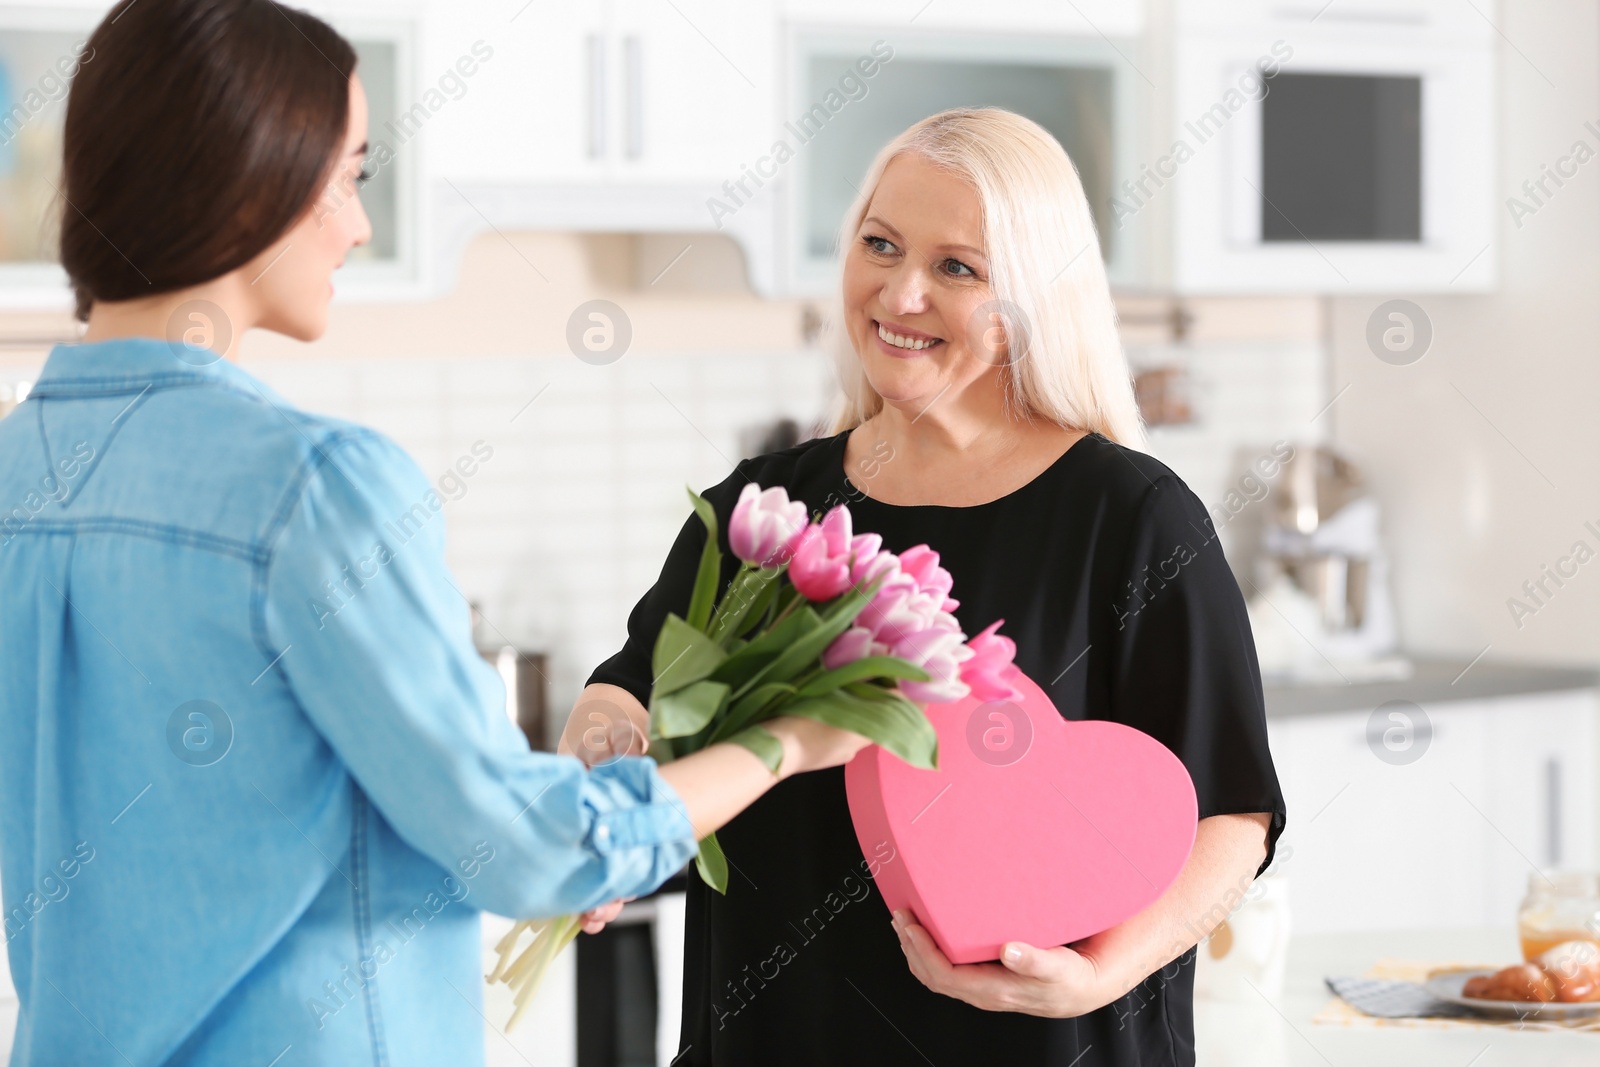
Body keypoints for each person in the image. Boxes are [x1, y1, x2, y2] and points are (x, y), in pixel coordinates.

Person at [0, 2, 872, 1064]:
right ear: (250, 178)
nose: (358, 225)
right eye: (351, 176)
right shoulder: (312, 485)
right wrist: (786, 741)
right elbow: (525, 847)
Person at [564, 108, 1288, 1066]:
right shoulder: (770, 508)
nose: (899, 292)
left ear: (1029, 298)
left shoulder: (1130, 518)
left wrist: (1105, 972)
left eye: (958, 267)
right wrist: (600, 732)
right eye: (880, 244)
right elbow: (634, 685)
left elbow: (1230, 814)